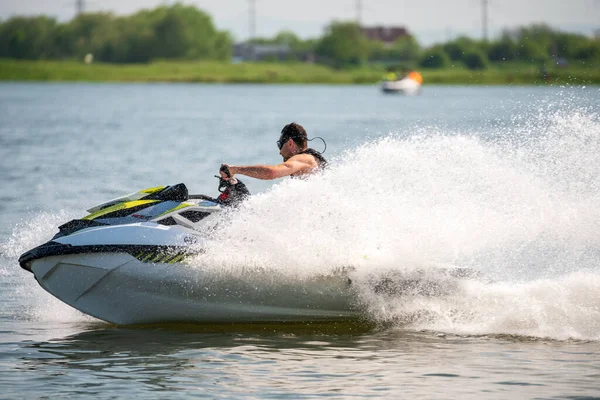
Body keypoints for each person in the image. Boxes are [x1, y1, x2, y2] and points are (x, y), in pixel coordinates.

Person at [220, 122, 327, 181]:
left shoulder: (303, 159)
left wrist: (234, 169)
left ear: (290, 143)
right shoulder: (312, 159)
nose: (280, 152)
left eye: (280, 144)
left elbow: (272, 172)